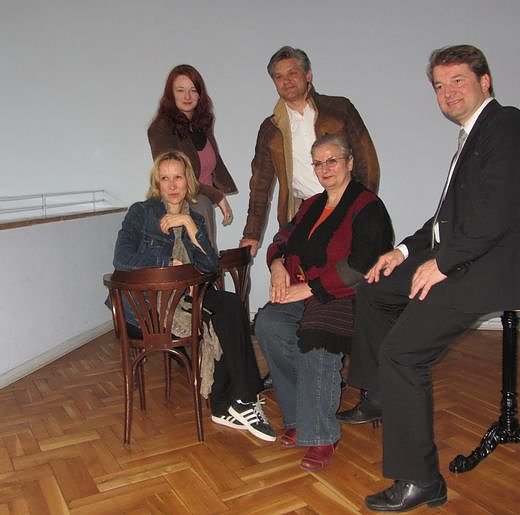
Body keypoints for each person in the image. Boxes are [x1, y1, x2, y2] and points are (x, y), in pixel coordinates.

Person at [345, 45, 520, 512]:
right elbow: (443, 221)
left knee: (403, 354)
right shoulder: (472, 136)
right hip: (463, 257)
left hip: (488, 267)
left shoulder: (506, 124)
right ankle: (381, 392)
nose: (448, 92)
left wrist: (442, 263)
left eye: (458, 80)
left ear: (485, 81)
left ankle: (421, 481)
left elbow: (496, 212)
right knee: (373, 287)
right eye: (439, 85)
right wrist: (400, 252)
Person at [113, 150, 276, 442]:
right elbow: (122, 258)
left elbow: (210, 266)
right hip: (149, 307)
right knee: (219, 315)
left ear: (188, 181)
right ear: (157, 183)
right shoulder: (141, 213)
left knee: (229, 305)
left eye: (178, 177)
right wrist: (168, 263)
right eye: (165, 178)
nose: (172, 185)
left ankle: (237, 402)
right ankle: (238, 401)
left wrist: (189, 227)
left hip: (186, 298)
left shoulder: (195, 218)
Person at [254, 134, 393, 471]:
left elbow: (362, 264)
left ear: (349, 162)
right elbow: (282, 239)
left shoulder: (367, 206)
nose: (324, 168)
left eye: (332, 160)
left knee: (317, 339)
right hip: (304, 290)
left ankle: (321, 434)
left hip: (345, 294)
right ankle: (300, 417)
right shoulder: (311, 205)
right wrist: (276, 265)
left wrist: (311, 288)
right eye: (318, 163)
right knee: (269, 324)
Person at [240, 46, 380, 256]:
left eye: (292, 73)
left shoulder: (339, 109)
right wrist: (252, 233)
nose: (286, 81)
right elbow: (260, 184)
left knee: (350, 271)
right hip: (303, 213)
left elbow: (367, 161)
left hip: (346, 206)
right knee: (302, 272)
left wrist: (362, 207)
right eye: (279, 77)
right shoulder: (270, 129)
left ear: (308, 75)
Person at [148, 64, 238, 249]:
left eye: (193, 90)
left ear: (200, 94)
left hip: (201, 199)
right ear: (170, 94)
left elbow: (213, 162)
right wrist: (217, 196)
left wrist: (221, 189)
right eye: (180, 90)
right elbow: (173, 176)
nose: (187, 97)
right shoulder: (161, 128)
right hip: (180, 200)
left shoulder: (201, 124)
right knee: (203, 252)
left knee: (206, 246)